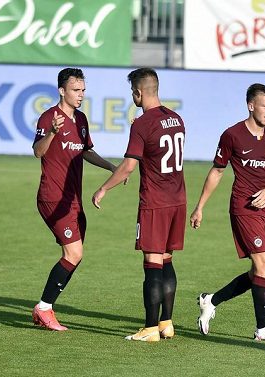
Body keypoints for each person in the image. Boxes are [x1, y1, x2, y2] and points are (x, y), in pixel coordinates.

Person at [190, 83, 265, 342]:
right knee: (262, 264)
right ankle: (262, 330)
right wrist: (200, 207)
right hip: (243, 209)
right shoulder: (232, 135)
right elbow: (217, 171)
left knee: (260, 271)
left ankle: (211, 300)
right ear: (251, 106)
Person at [92, 68, 186, 342]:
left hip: (155, 202)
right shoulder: (176, 119)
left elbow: (129, 167)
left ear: (139, 92)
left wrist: (103, 188)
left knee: (152, 263)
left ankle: (149, 328)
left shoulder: (142, 124)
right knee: (166, 259)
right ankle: (166, 322)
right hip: (177, 199)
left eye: (132, 91)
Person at [30, 68, 116, 331]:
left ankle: (47, 307)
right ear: (61, 91)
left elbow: (86, 151)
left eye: (83, 90)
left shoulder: (80, 119)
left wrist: (112, 168)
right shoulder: (49, 118)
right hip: (52, 197)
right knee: (73, 252)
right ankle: (44, 308)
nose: (81, 95)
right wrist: (52, 133)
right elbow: (37, 152)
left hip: (73, 200)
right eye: (76, 90)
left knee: (75, 256)